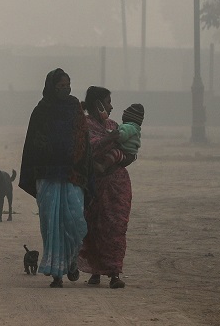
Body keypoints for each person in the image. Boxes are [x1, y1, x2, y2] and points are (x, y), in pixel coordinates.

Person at [18, 68, 91, 288]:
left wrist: (76, 159)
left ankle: (71, 263)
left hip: (72, 174)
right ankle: (57, 273)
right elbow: (33, 143)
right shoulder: (41, 111)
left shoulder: (75, 108)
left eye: (68, 85)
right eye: (61, 86)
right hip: (48, 175)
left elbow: (83, 139)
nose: (65, 89)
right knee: (51, 225)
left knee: (76, 222)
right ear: (52, 87)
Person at [78, 86, 135, 289]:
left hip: (117, 185)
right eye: (108, 102)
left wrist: (122, 156)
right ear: (98, 104)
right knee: (93, 227)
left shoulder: (113, 125)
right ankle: (96, 271)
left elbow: (129, 151)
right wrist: (111, 139)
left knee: (116, 227)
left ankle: (114, 272)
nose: (111, 107)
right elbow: (88, 149)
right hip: (94, 186)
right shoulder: (85, 125)